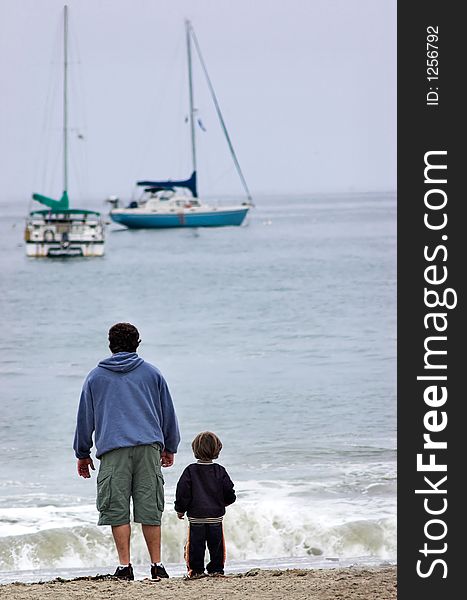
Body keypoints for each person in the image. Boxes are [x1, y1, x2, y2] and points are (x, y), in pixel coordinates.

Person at [73, 322, 180, 581]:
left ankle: (124, 566)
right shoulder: (152, 374)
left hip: (113, 450)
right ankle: (157, 564)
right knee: (150, 506)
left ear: (110, 344)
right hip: (147, 447)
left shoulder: (95, 377)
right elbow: (168, 412)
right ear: (137, 344)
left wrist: (82, 452)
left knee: (116, 508)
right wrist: (170, 446)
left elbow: (85, 417)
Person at [174, 431, 236, 578]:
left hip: (196, 517)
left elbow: (183, 492)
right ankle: (216, 569)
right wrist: (224, 503)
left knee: (195, 546)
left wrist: (180, 509)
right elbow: (229, 491)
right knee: (217, 546)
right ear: (217, 450)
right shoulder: (220, 470)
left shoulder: (190, 470)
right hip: (215, 516)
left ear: (195, 450)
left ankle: (196, 571)